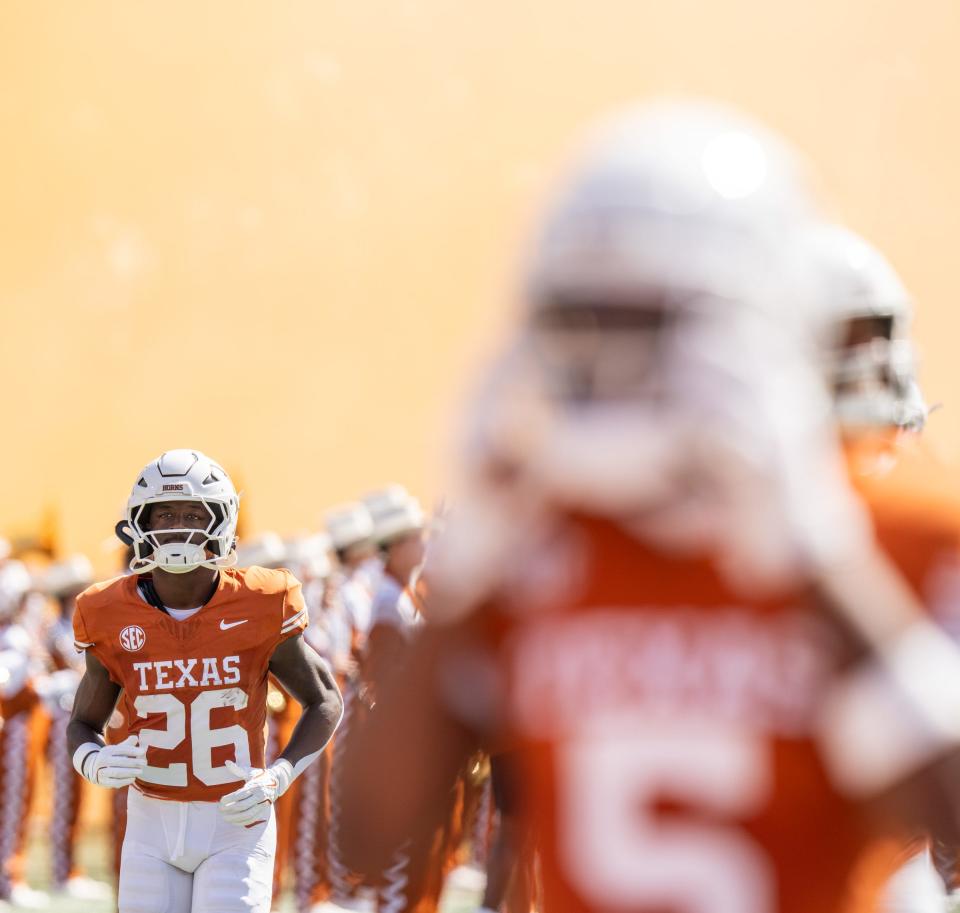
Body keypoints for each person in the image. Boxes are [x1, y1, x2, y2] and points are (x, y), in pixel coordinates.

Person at [338, 100, 960, 913]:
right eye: (588, 318)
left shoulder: (897, 528)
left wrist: (816, 556)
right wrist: (476, 562)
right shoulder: (549, 546)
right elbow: (369, 836)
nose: (624, 360)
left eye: (659, 321)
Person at [67, 448, 343, 913]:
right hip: (150, 821)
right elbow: (81, 723)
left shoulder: (261, 600)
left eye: (194, 512)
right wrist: (91, 759)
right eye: (165, 513)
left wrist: (279, 775)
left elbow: (325, 701)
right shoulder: (106, 611)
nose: (179, 525)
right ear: (139, 524)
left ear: (221, 521)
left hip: (235, 819)